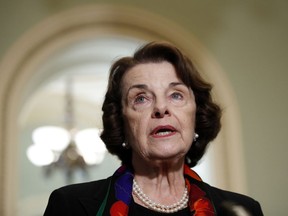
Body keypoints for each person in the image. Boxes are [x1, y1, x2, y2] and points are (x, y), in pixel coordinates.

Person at [44, 41, 263, 216]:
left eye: (176, 95)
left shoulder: (241, 210)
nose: (160, 108)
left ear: (196, 115)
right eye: (141, 98)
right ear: (122, 124)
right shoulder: (70, 206)